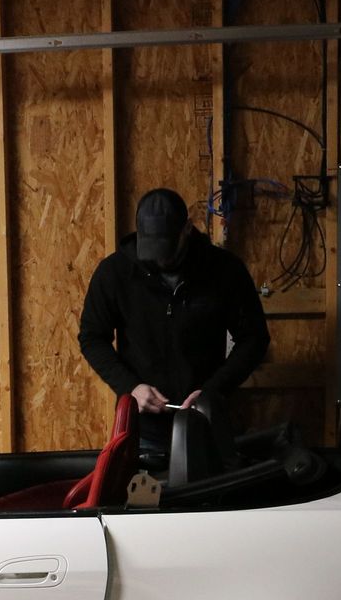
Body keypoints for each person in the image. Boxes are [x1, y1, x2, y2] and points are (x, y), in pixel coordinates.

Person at [77, 188, 270, 459]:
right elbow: (92, 337)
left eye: (167, 249)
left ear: (187, 229)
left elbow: (254, 338)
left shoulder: (225, 271)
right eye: (152, 250)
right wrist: (130, 387)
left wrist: (213, 391)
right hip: (143, 431)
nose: (160, 259)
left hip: (206, 423)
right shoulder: (116, 273)